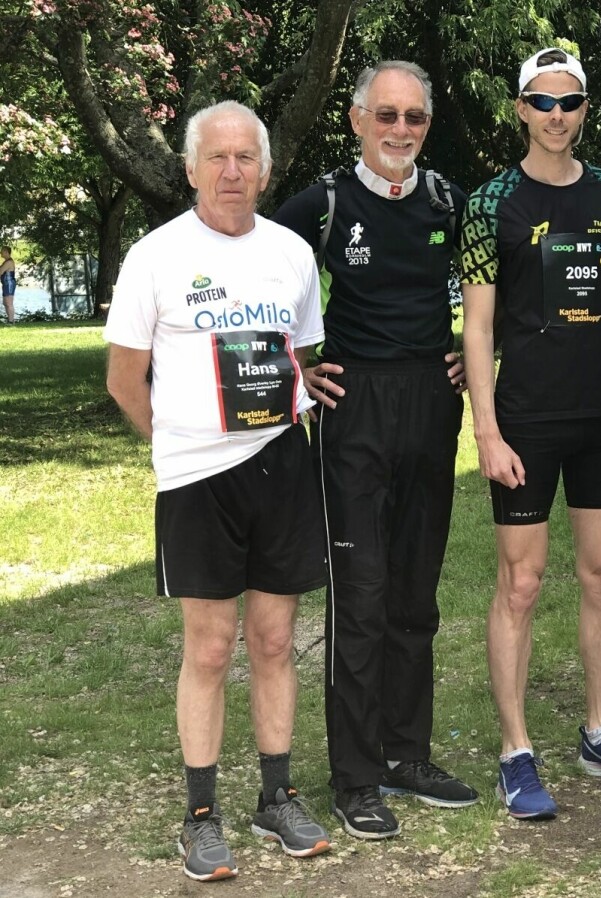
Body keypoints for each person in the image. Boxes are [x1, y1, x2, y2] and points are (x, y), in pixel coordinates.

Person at [104, 100, 331, 881]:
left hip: (282, 462)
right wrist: (178, 442)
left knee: (273, 641)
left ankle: (278, 797)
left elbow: (302, 351)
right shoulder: (156, 255)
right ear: (193, 168)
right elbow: (124, 380)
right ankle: (200, 816)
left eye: (246, 159)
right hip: (199, 478)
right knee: (208, 647)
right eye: (218, 158)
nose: (232, 172)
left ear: (265, 171)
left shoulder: (294, 253)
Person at [460, 47, 601, 821]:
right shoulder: (490, 203)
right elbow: (477, 327)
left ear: (586, 109)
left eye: (571, 102)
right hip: (522, 420)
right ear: (520, 108)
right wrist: (485, 429)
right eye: (543, 103)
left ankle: (600, 731)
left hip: (599, 421)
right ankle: (516, 751)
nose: (557, 116)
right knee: (520, 584)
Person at [272, 60, 478, 841]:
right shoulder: (322, 203)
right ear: (357, 121)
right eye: (386, 115)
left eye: (415, 117)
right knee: (359, 599)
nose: (400, 130)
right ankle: (355, 777)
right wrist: (295, 363)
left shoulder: (449, 202)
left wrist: (472, 348)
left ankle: (406, 755)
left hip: (432, 404)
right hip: (353, 412)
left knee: (415, 596)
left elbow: (498, 288)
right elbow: (251, 273)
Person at [0, 246, 15, 323]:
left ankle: (11, 321)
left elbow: (0, 271)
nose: (0, 252)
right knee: (5, 303)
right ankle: (9, 320)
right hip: (5, 284)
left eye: (2, 251)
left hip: (9, 284)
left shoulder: (9, 262)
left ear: (6, 252)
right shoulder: (6, 261)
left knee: (9, 303)